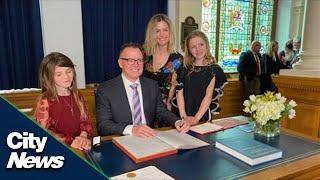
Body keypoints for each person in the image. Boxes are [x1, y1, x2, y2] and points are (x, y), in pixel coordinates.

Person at [96, 43, 189, 137]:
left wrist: (177, 122)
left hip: (149, 138)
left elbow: (161, 111)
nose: (136, 64)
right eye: (131, 60)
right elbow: (103, 125)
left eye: (140, 60)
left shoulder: (152, 85)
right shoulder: (105, 90)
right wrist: (132, 129)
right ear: (120, 63)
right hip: (122, 139)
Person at [34, 52, 93, 151]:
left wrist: (83, 136)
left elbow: (86, 121)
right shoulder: (45, 100)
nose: (66, 77)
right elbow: (45, 130)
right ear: (49, 77)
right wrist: (70, 141)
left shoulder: (77, 95)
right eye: (59, 74)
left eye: (69, 71)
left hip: (80, 147)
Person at [176, 31, 227, 125]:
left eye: (201, 45)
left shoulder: (214, 70)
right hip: (183, 115)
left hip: (202, 116)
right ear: (189, 50)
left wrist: (196, 118)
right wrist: (184, 116)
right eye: (193, 47)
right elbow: (179, 94)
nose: (198, 49)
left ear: (206, 45)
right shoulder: (184, 69)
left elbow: (208, 96)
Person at [143, 14, 182, 113]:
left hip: (167, 110)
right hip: (144, 108)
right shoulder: (144, 56)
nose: (162, 34)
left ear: (170, 32)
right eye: (157, 31)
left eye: (165, 30)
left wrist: (168, 105)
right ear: (152, 33)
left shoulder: (177, 60)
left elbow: (177, 88)